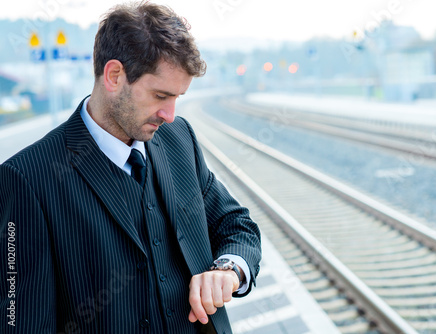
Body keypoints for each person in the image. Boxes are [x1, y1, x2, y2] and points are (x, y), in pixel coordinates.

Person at [0, 2, 261, 333]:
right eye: (160, 95)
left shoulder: (180, 138)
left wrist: (228, 269)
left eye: (177, 97)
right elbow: (23, 323)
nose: (169, 114)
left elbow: (236, 224)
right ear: (114, 76)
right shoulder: (26, 179)